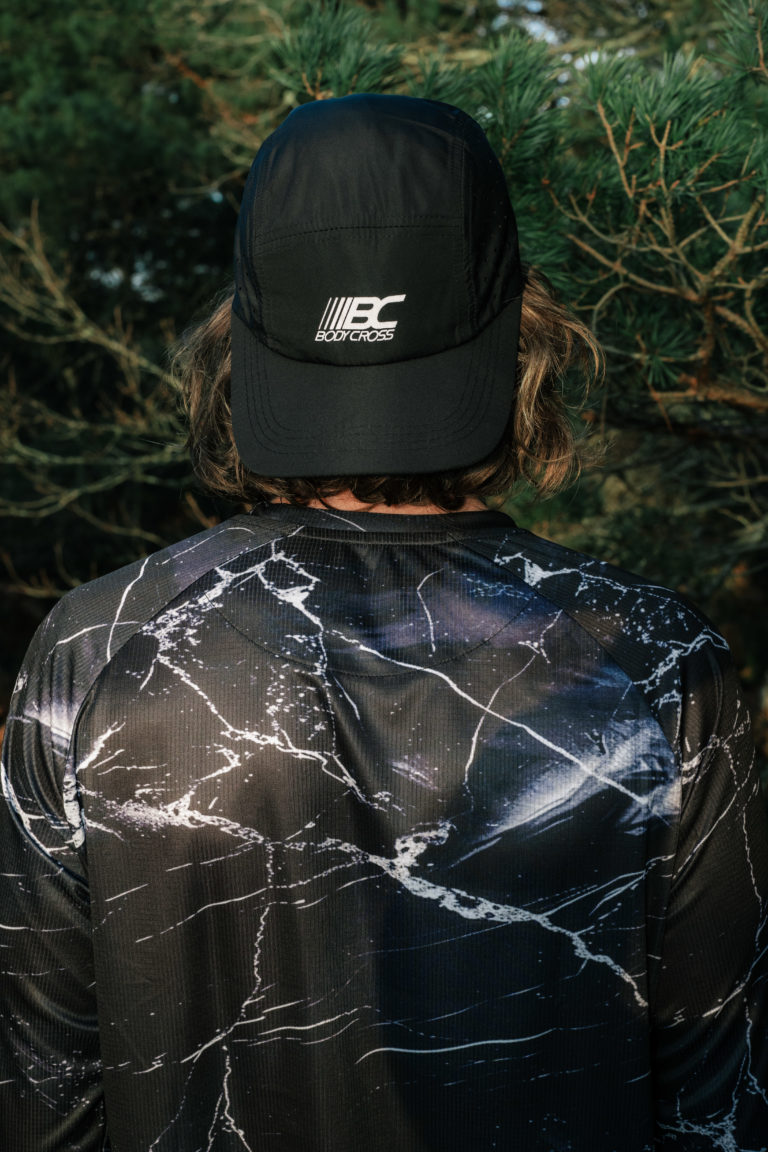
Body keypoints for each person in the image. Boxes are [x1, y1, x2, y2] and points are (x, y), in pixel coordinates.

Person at [1, 94, 766, 1152]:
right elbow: (719, 1110)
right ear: (525, 335)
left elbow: (48, 1105)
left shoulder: (96, 652)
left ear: (239, 339)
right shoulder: (662, 661)